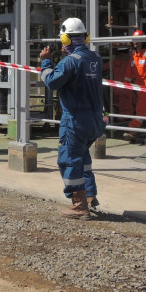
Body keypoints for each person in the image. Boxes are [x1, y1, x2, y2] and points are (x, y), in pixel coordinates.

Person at [40, 17, 106, 220]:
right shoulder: (95, 58)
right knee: (83, 160)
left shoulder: (69, 62)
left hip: (75, 121)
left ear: (67, 40)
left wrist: (46, 62)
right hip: (94, 121)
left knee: (69, 160)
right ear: (86, 37)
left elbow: (51, 82)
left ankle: (79, 206)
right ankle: (90, 195)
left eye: (63, 41)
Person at [124, 29, 146, 142]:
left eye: (138, 40)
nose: (135, 42)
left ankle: (133, 130)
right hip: (138, 87)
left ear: (142, 41)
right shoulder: (134, 54)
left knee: (140, 109)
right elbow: (130, 69)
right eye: (134, 40)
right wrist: (126, 84)